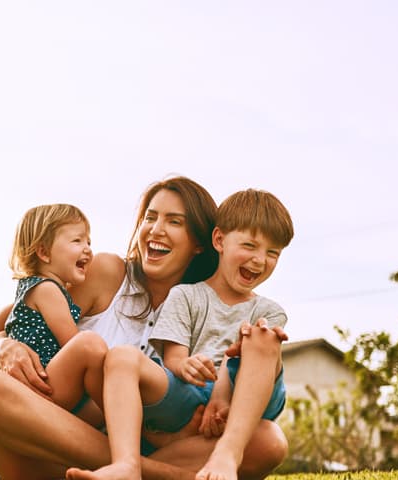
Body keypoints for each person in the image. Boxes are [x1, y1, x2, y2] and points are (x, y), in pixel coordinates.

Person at [0, 176, 289, 480]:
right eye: (150, 217)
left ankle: (130, 467)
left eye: (174, 222)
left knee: (267, 441)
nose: (156, 229)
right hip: (53, 440)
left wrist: (218, 404)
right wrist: (3, 346)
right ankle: (150, 473)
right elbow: (24, 315)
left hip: (159, 443)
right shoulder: (106, 272)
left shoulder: (211, 308)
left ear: (200, 242)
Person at [66, 188, 293, 480]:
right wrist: (183, 364)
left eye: (272, 253)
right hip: (191, 391)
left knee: (262, 338)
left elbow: (251, 371)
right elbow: (173, 356)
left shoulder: (269, 310)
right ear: (219, 240)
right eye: (250, 246)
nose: (260, 260)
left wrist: (223, 395)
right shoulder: (185, 295)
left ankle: (227, 455)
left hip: (244, 398)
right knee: (122, 356)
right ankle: (126, 466)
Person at [0, 203, 107, 424]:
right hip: (45, 384)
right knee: (89, 345)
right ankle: (119, 412)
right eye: (77, 240)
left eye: (88, 241)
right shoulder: (48, 290)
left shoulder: (29, 288)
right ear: (44, 252)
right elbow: (72, 341)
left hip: (38, 387)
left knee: (106, 416)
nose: (88, 249)